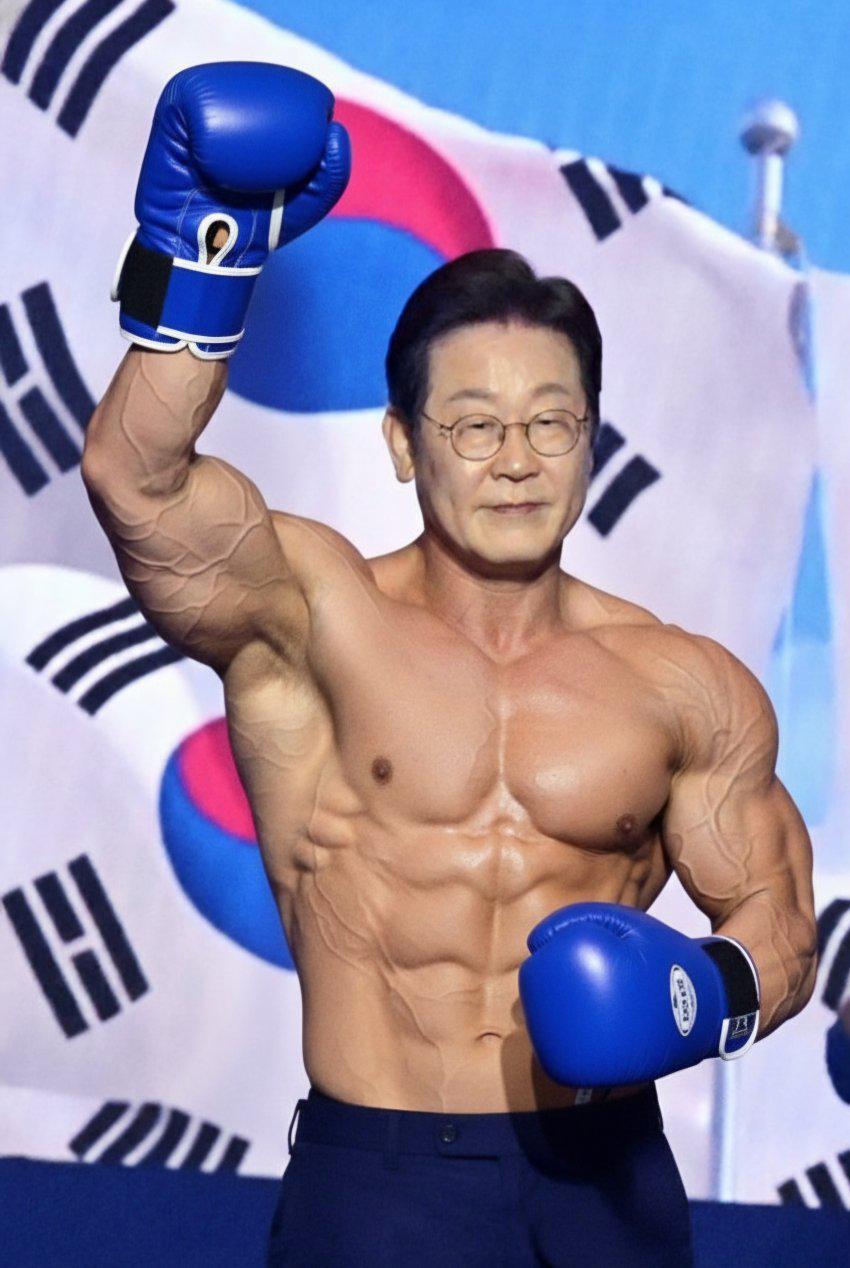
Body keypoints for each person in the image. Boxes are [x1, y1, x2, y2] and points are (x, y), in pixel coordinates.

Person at [82, 62, 818, 1267]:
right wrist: (204, 258)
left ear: (590, 441)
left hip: (607, 1177)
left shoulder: (683, 683)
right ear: (401, 442)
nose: (514, 459)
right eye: (473, 425)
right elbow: (138, 481)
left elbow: (777, 917)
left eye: (550, 422)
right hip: (382, 1178)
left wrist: (702, 992)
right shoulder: (311, 613)